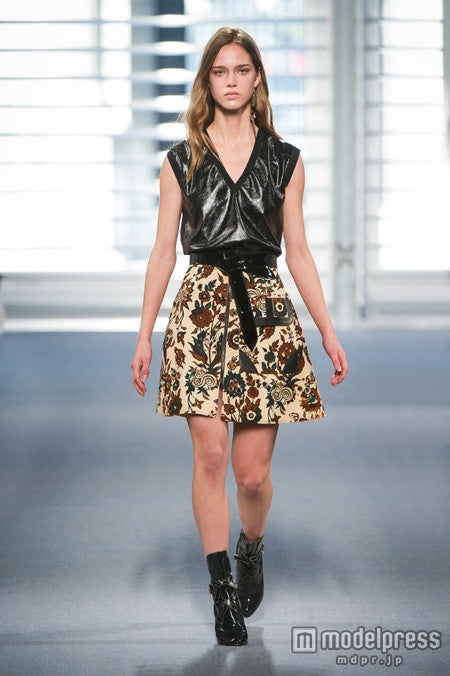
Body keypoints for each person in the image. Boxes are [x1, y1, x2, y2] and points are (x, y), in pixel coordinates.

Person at [131, 26, 348, 647]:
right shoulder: (181, 161)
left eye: (241, 70)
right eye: (220, 71)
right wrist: (144, 335)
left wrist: (327, 331)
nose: (231, 81)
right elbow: (163, 251)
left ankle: (251, 546)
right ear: (208, 81)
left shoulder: (285, 160)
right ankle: (221, 590)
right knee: (210, 457)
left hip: (265, 315)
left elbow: (298, 251)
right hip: (199, 314)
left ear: (257, 79)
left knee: (251, 475)